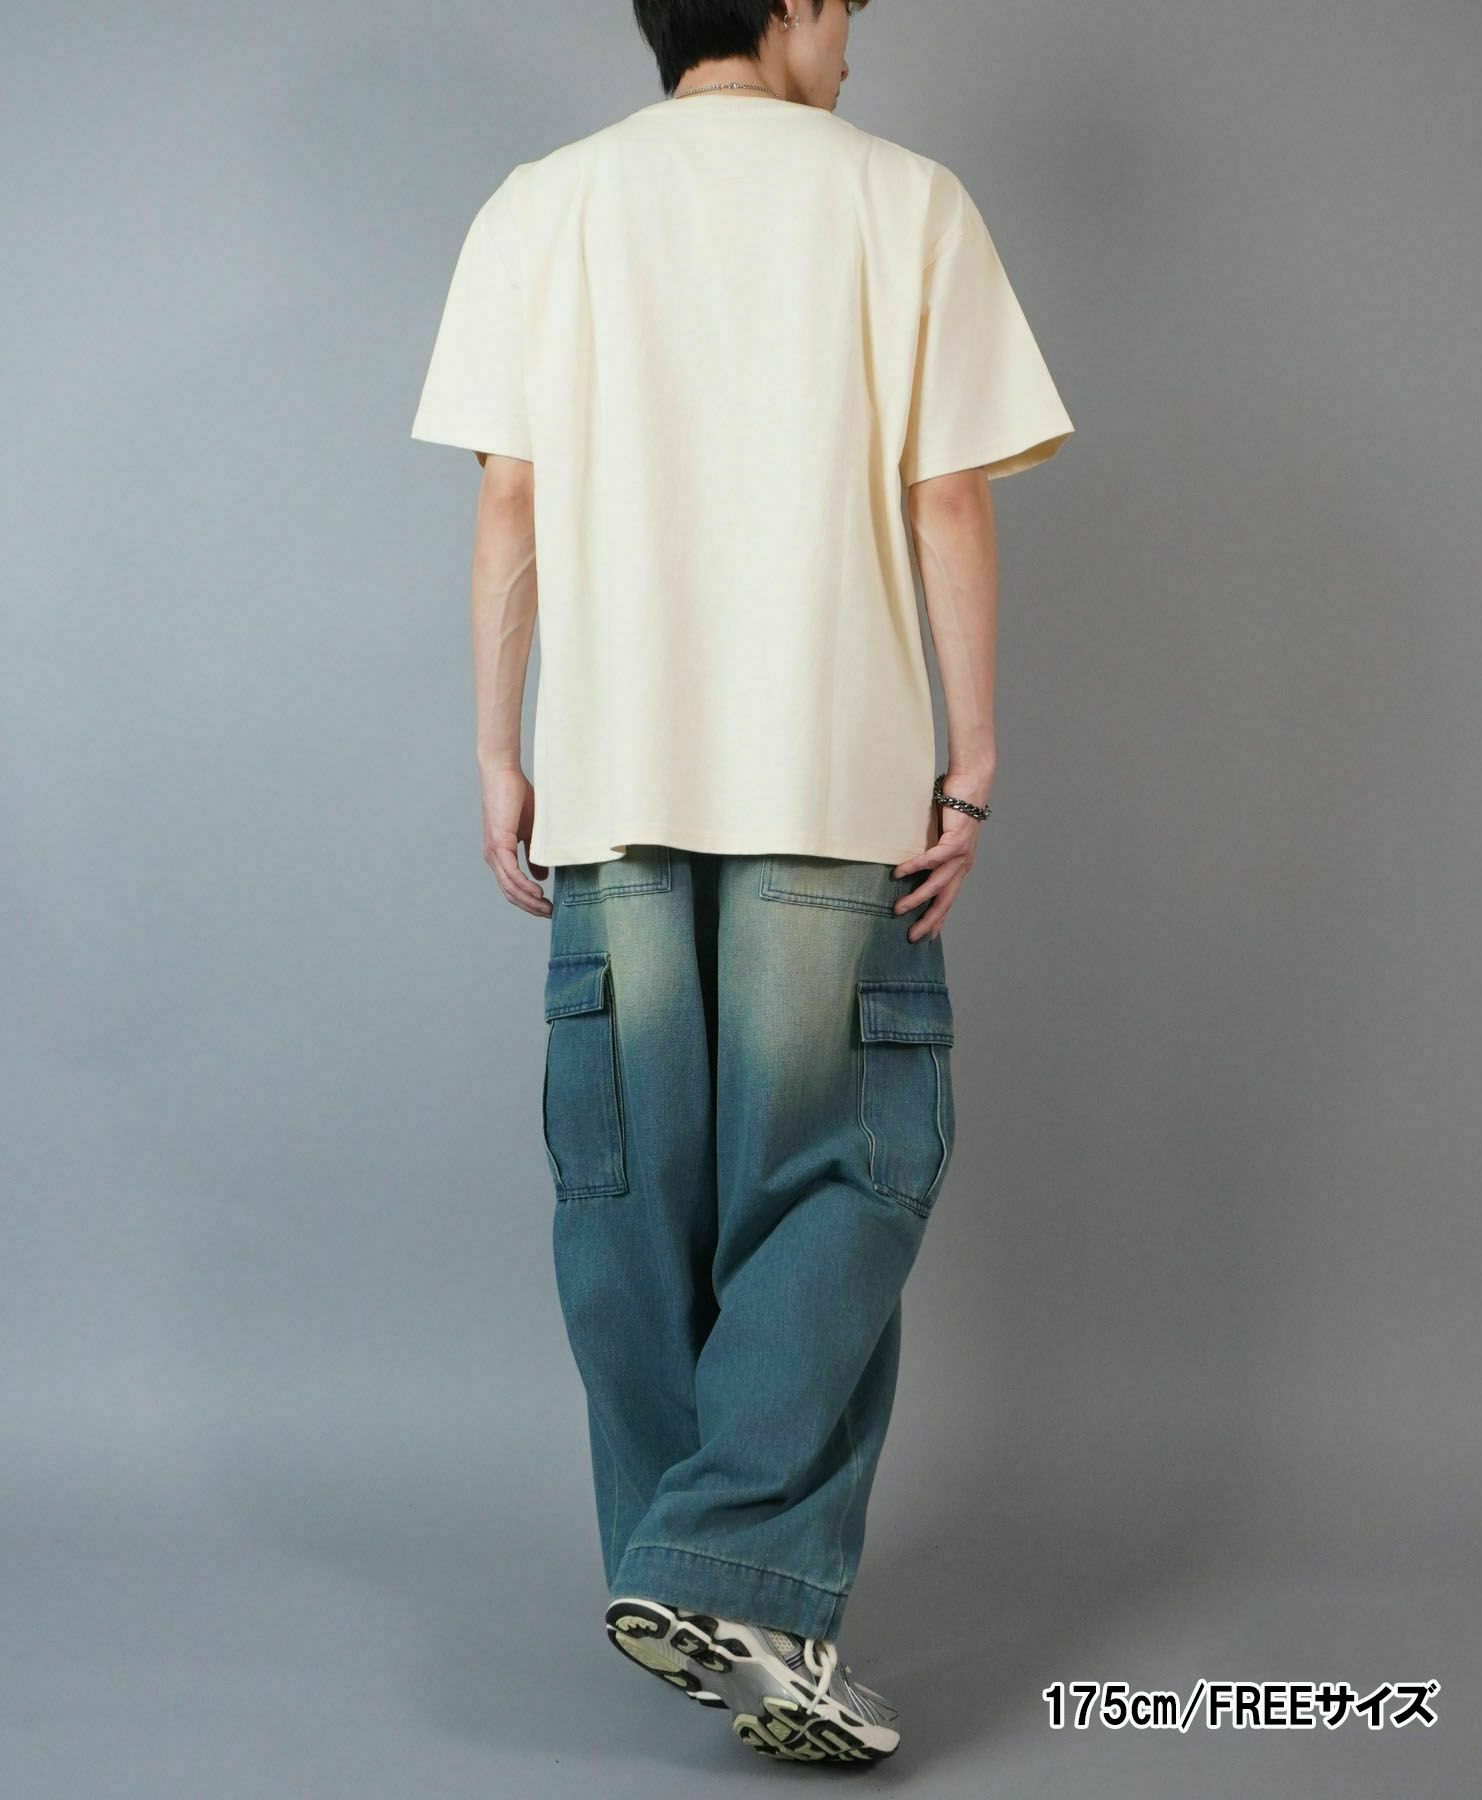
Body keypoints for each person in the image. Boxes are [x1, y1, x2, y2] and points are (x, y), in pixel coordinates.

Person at [410, 0, 1074, 1764]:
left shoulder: (543, 203)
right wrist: (973, 752)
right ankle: (734, 1577)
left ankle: (704, 1586)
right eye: (847, 5)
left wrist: (497, 750)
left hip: (613, 790)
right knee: (837, 1181)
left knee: (634, 1207)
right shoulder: (903, 201)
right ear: (788, 1)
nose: (855, 38)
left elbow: (508, 500)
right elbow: (947, 500)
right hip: (831, 789)